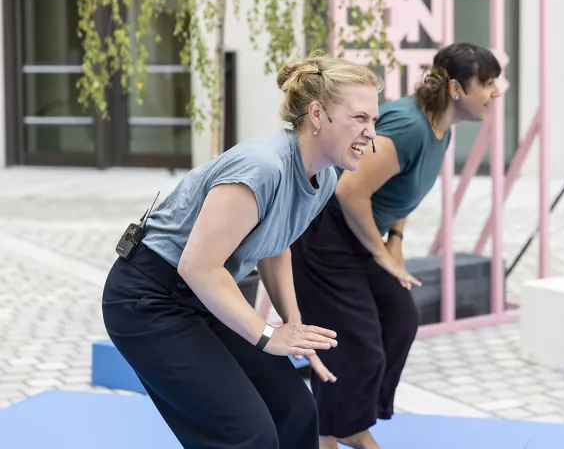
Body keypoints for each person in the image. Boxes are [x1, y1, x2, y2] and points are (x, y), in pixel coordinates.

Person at [101, 55, 382, 449]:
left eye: (373, 120)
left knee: (296, 412)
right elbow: (198, 265)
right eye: (360, 118)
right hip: (149, 299)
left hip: (203, 296)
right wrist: (267, 335)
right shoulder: (263, 167)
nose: (371, 132)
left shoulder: (326, 175)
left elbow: (276, 244)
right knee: (245, 436)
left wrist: (293, 326)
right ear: (317, 114)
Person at [290, 42, 501, 449]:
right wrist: (380, 254)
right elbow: (350, 191)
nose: (496, 92)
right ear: (457, 89)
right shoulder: (410, 127)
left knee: (399, 320)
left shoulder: (439, 129)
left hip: (359, 233)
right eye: (487, 83)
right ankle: (331, 433)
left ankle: (343, 424)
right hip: (327, 235)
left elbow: (402, 189)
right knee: (355, 346)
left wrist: (396, 240)